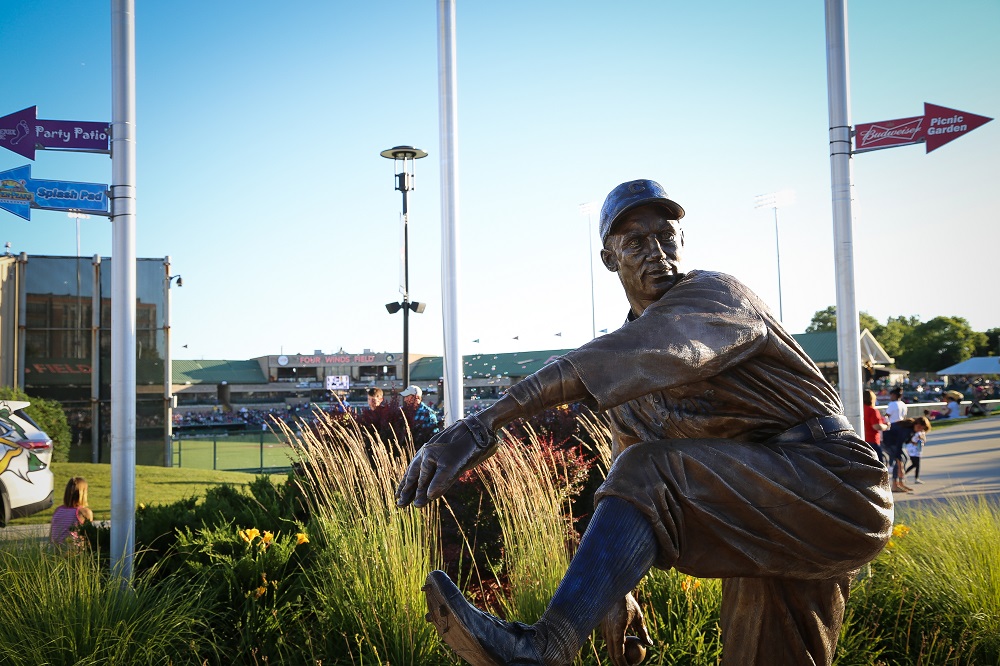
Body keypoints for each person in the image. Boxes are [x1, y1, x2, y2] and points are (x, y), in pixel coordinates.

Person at [396, 179, 891, 666]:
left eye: (666, 236)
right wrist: (611, 592)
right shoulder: (629, 381)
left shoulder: (715, 295)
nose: (657, 251)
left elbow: (644, 358)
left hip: (832, 482)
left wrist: (483, 424)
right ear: (610, 259)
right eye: (635, 242)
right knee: (772, 653)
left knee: (649, 468)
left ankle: (546, 646)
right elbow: (626, 486)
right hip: (759, 505)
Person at [50, 476, 94, 548]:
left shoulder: (58, 510)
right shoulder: (84, 512)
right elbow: (89, 537)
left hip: (55, 551)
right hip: (74, 552)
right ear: (83, 493)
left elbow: (51, 536)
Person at [862, 389, 889, 466]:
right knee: (879, 465)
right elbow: (876, 426)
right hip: (872, 440)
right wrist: (886, 426)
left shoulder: (860, 410)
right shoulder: (872, 410)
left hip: (862, 439)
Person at [904, 418, 931, 484]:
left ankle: (915, 478)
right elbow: (909, 440)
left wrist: (922, 439)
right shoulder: (915, 432)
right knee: (915, 464)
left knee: (917, 464)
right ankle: (904, 474)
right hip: (912, 449)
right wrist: (915, 443)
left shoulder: (922, 432)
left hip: (918, 449)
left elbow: (923, 440)